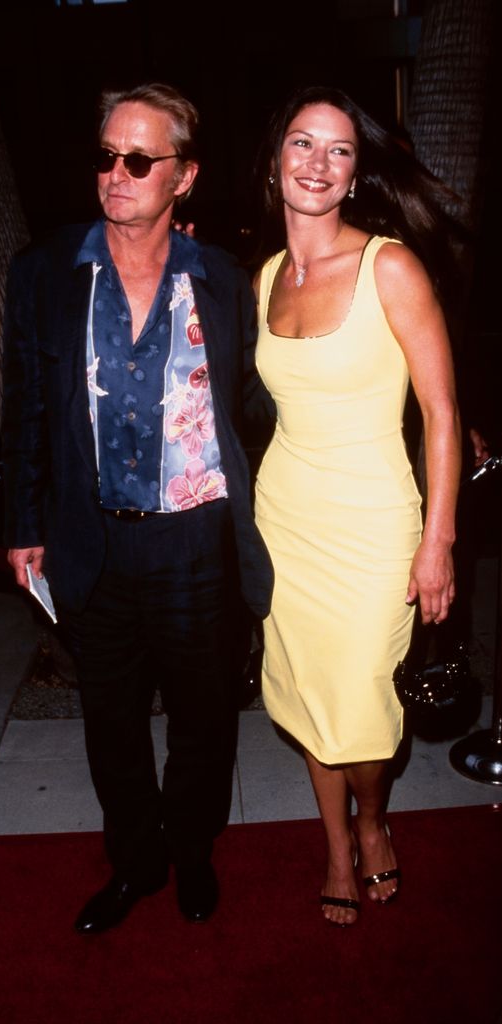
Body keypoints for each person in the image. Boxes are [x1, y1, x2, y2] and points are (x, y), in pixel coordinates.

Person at [2, 82, 273, 933]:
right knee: (110, 727)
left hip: (196, 544)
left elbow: (258, 408)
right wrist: (25, 526)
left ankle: (191, 852)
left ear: (182, 176)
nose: (115, 175)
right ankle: (136, 864)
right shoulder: (44, 271)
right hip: (94, 544)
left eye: (138, 160)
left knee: (201, 724)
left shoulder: (224, 280)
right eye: (105, 156)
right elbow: (28, 409)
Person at [252, 85, 461, 926]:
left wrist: (437, 540)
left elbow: (442, 412)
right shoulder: (267, 274)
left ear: (353, 176)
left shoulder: (390, 266)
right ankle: (336, 847)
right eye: (301, 144)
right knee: (307, 692)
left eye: (336, 151)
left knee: (364, 708)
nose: (316, 163)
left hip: (374, 524)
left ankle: (371, 819)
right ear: (275, 164)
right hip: (283, 517)